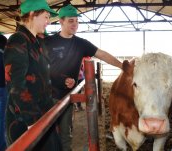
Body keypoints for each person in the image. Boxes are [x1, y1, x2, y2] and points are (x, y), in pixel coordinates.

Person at [44, 4, 122, 151]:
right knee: (46, 134)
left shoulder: (81, 44)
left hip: (66, 97)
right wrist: (60, 79)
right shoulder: (48, 42)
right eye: (71, 21)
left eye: (76, 21)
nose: (75, 24)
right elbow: (41, 67)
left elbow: (103, 54)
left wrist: (122, 66)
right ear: (61, 21)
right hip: (47, 95)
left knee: (66, 134)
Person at [4, 0, 61, 150]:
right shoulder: (18, 40)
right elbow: (15, 85)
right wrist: (32, 121)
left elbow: (42, 74)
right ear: (31, 15)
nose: (48, 22)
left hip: (42, 113)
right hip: (26, 119)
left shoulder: (34, 42)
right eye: (46, 17)